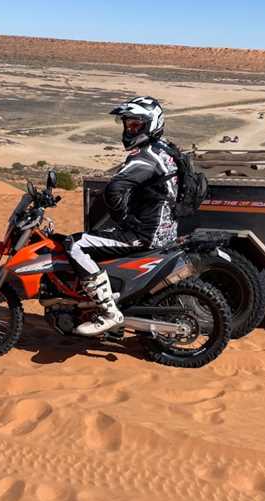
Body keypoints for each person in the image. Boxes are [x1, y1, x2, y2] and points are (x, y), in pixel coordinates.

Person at [65, 96, 179, 336]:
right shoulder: (166, 149)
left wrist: (123, 219)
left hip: (144, 234)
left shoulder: (146, 158)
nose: (129, 130)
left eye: (136, 125)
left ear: (151, 124)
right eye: (127, 125)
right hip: (165, 230)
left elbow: (114, 190)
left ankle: (108, 312)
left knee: (75, 244)